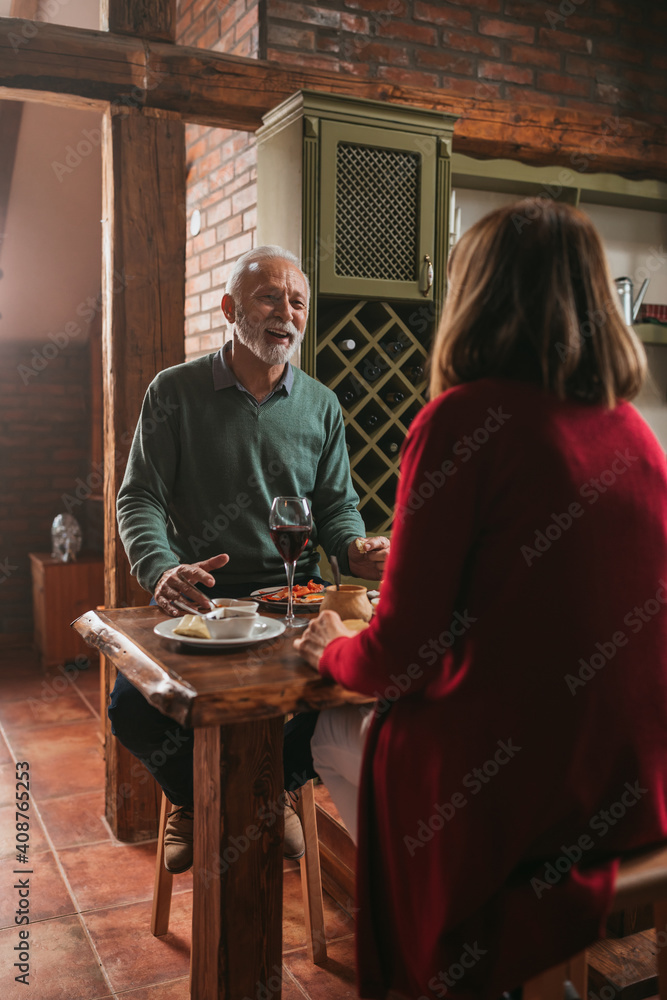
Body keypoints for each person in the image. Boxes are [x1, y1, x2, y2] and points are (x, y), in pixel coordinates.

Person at [294, 199, 667, 1000]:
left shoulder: (460, 419)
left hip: (525, 801)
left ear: (473, 294)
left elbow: (398, 657)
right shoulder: (634, 432)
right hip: (635, 786)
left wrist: (328, 646)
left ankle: (447, 960)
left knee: (332, 731)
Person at [108, 244, 389, 873]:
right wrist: (161, 569)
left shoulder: (322, 405)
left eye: (298, 302)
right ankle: (200, 797)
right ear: (230, 309)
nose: (286, 312)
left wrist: (354, 548)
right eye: (269, 297)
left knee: (347, 693)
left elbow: (337, 507)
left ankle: (268, 791)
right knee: (131, 707)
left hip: (296, 598)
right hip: (203, 600)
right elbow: (140, 497)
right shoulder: (173, 391)